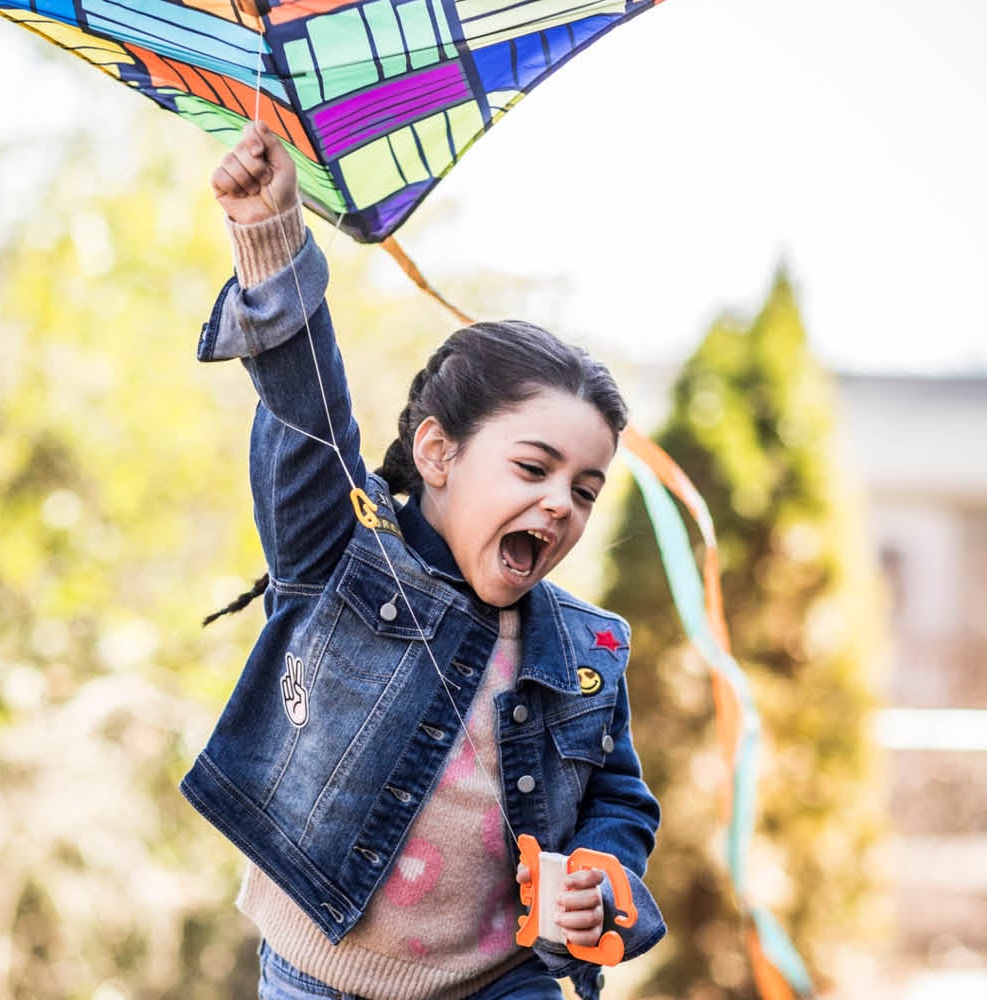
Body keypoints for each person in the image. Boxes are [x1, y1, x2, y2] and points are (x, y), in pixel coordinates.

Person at [180, 121, 666, 1000]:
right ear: (438, 454)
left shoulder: (584, 655)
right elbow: (310, 418)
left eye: (586, 490)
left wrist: (600, 873)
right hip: (318, 977)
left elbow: (619, 798)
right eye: (533, 467)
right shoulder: (344, 562)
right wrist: (270, 241)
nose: (561, 503)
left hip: (497, 981)